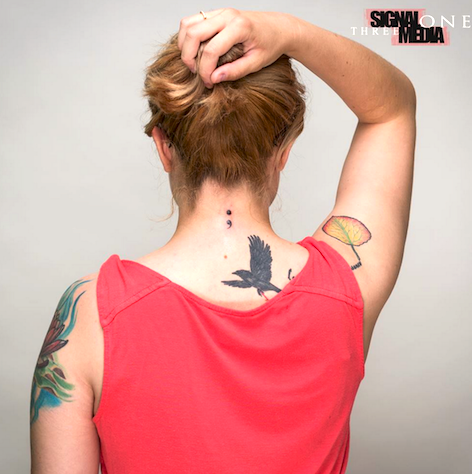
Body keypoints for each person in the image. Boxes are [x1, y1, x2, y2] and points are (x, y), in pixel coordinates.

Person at [29, 8, 416, 474]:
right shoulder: (346, 284)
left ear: (163, 147)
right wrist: (289, 32)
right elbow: (392, 109)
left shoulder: (89, 314)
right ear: (283, 150)